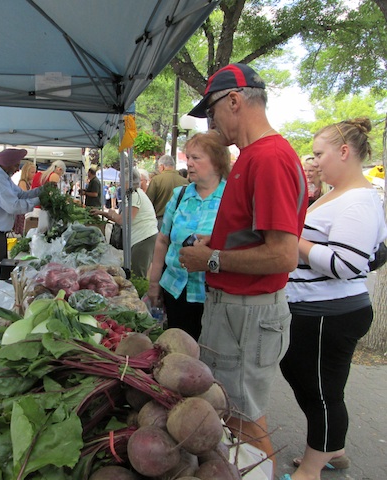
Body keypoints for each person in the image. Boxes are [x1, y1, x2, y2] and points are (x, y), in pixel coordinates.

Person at [178, 63, 307, 469]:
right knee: (237, 412)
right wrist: (213, 246)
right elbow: (252, 238)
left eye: (212, 111)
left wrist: (211, 258)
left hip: (247, 315)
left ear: (234, 100)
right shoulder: (253, 157)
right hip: (235, 311)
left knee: (243, 418)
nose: (212, 122)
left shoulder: (268, 157)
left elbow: (283, 254)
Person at [279, 118, 387, 480]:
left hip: (330, 312)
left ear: (344, 152)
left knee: (321, 390)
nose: (314, 161)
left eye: (319, 154)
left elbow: (347, 263)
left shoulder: (357, 200)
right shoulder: (339, 193)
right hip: (319, 308)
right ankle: (332, 448)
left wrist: (293, 243)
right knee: (313, 382)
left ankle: (313, 467)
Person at [147, 133, 230, 340]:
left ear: (217, 163)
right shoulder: (180, 196)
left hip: (213, 296)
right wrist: (154, 283)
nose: (189, 163)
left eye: (197, 158)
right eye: (188, 158)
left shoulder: (231, 198)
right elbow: (162, 240)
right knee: (178, 349)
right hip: (176, 290)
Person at [0, 148, 41, 304]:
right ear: (7, 164)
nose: (17, 168)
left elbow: (20, 194)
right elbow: (14, 206)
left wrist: (39, 191)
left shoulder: (3, 178)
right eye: (16, 165)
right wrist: (38, 200)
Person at [92, 168, 158, 277]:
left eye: (121, 180)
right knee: (135, 270)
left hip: (144, 237)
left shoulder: (135, 195)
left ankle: (139, 293)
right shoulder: (133, 194)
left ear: (128, 181)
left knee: (137, 273)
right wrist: (102, 213)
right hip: (142, 237)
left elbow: (124, 220)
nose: (119, 183)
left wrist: (112, 213)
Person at [146, 154, 188, 229]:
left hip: (160, 221)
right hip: (180, 222)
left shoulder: (156, 180)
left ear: (162, 166)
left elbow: (148, 202)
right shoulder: (185, 182)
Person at [13, 162, 37, 235]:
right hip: (22, 211)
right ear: (26, 172)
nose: (34, 174)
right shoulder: (22, 182)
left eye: (35, 172)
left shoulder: (31, 182)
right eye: (32, 172)